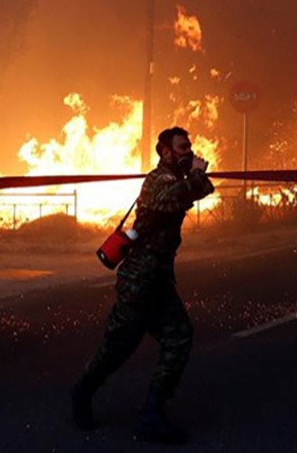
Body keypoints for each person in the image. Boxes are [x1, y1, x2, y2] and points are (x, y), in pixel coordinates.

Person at [71, 127, 215, 444]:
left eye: (189, 147)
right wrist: (194, 176)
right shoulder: (156, 181)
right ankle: (82, 392)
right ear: (165, 152)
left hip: (159, 282)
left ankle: (152, 413)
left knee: (179, 338)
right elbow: (174, 197)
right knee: (116, 350)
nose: (189, 152)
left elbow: (206, 188)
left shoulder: (178, 180)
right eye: (182, 147)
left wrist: (194, 176)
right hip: (138, 282)